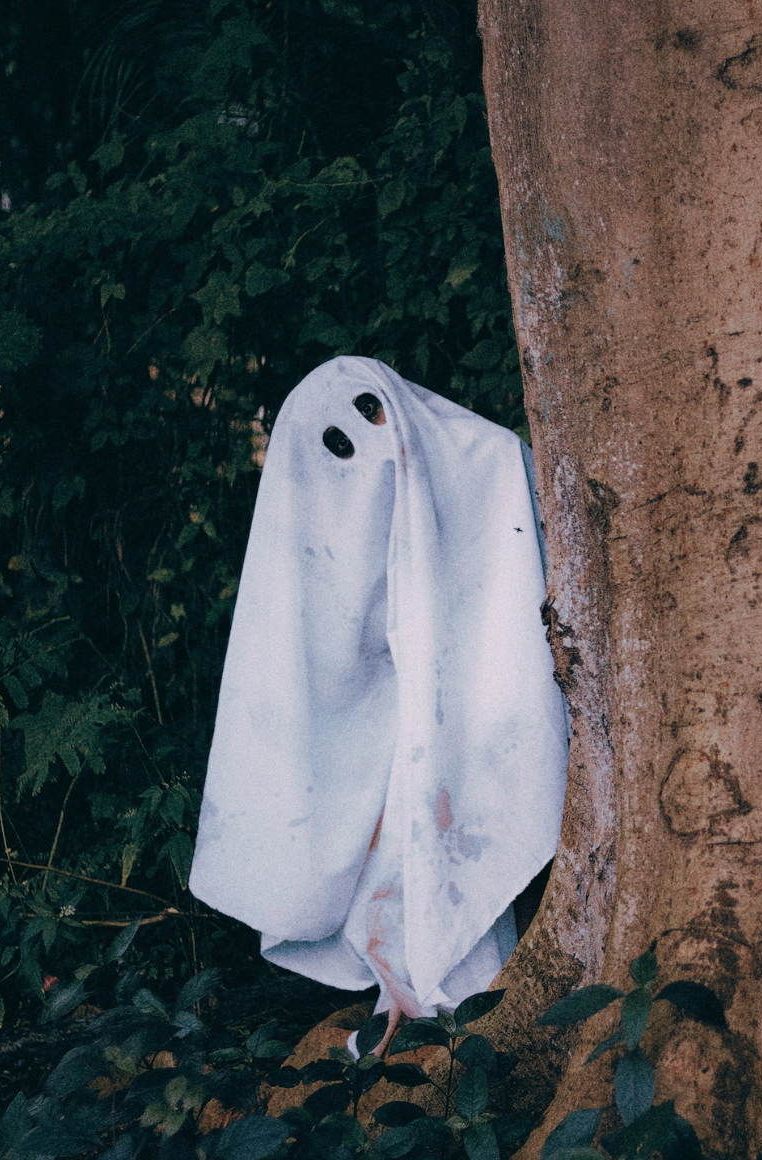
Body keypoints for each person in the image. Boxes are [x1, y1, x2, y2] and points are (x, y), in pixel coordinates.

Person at [190, 356, 568, 1057]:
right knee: (389, 828)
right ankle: (400, 983)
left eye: (367, 418)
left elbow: (487, 596)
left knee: (450, 810)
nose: (356, 444)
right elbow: (323, 627)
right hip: (390, 726)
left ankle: (454, 985)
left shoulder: (474, 458)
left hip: (460, 707)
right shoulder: (328, 489)